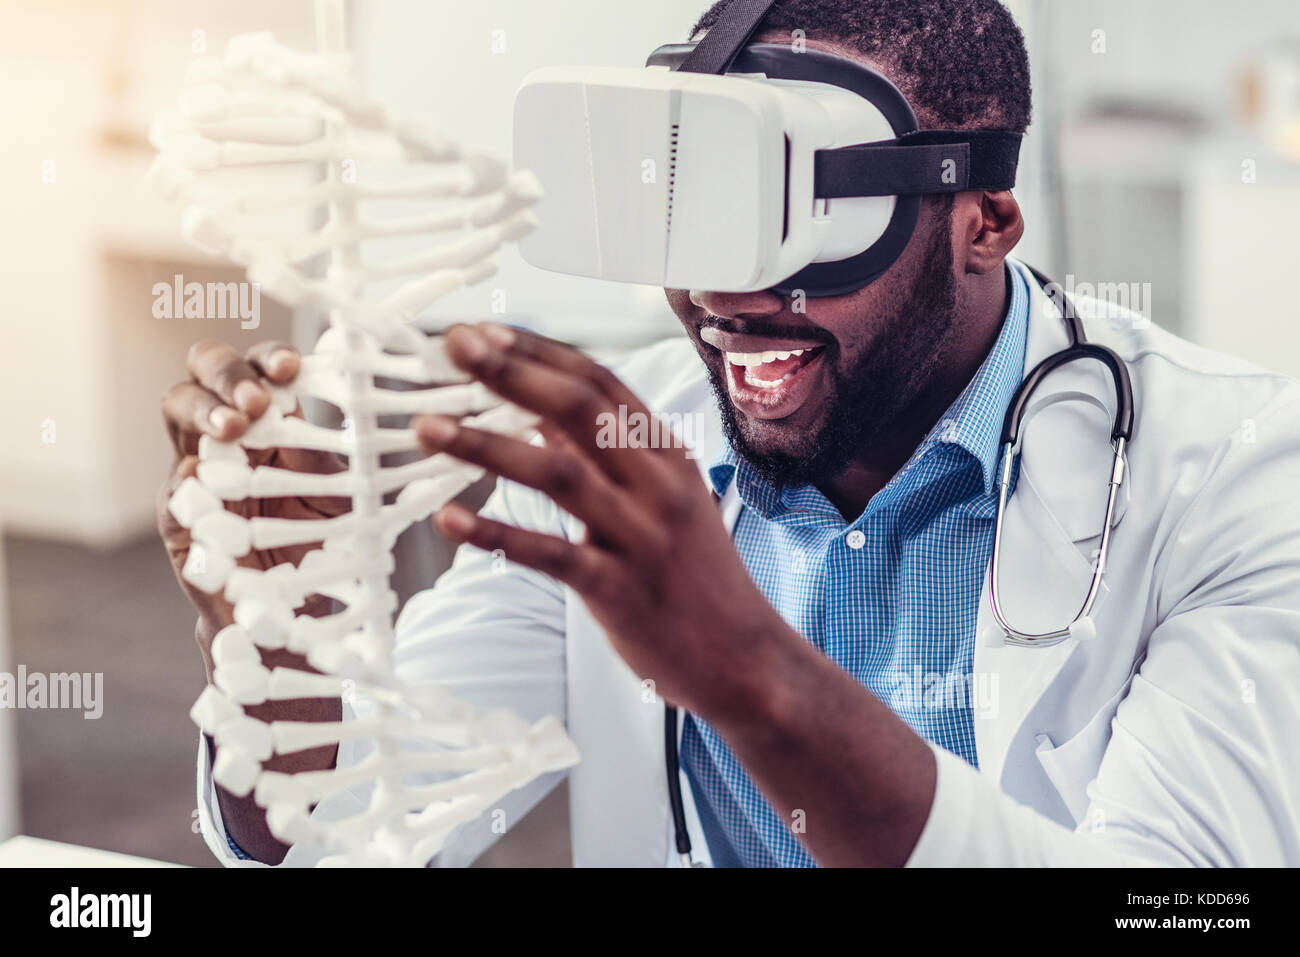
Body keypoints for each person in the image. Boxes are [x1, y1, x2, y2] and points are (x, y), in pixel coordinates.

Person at [159, 0, 1300, 866]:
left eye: (801, 217)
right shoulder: (606, 456)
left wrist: (748, 674)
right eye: (692, 206)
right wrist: (274, 644)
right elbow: (356, 838)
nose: (726, 296)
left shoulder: (1237, 473)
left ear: (984, 219)